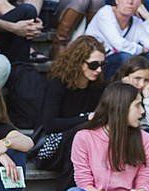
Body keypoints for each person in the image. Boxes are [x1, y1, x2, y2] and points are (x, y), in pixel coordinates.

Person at [38, 36, 108, 171]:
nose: (99, 70)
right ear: (78, 62)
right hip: (54, 146)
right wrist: (86, 118)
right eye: (93, 65)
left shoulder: (98, 86)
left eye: (102, 65)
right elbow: (50, 124)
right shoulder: (58, 84)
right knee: (81, 134)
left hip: (86, 145)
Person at [115, 56, 149, 189]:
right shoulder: (115, 91)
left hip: (140, 131)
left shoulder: (146, 95)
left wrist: (147, 94)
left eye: (146, 80)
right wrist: (126, 89)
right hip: (119, 131)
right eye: (137, 78)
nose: (141, 84)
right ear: (126, 76)